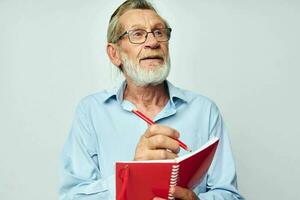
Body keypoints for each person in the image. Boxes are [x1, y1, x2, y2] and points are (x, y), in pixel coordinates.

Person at [59, 0, 244, 199]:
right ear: (115, 54)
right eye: (137, 34)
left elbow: (230, 195)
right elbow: (73, 197)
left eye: (159, 32)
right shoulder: (91, 112)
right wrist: (132, 177)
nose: (153, 42)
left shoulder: (204, 110)